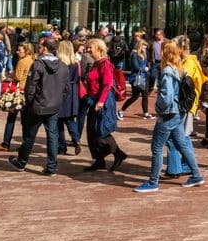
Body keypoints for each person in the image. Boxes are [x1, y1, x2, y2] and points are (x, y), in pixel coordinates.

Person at [134, 40, 205, 192]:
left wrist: (158, 109)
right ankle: (196, 174)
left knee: (157, 147)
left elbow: (166, 97)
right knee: (181, 143)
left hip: (168, 114)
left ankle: (153, 182)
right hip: (179, 112)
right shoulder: (180, 68)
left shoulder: (167, 70)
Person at [8, 38, 68, 176]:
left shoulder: (38, 65)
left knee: (29, 136)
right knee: (52, 135)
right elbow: (65, 89)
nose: (39, 49)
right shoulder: (63, 66)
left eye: (41, 47)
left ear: (46, 48)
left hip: (38, 106)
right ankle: (52, 166)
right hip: (53, 106)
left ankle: (22, 162)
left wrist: (28, 103)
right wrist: (58, 101)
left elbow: (31, 87)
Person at [83, 38, 127, 171]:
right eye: (88, 47)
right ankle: (99, 160)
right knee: (92, 132)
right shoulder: (96, 63)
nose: (88, 50)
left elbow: (107, 85)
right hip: (93, 99)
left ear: (99, 48)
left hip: (103, 101)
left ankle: (118, 154)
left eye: (91, 47)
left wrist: (101, 101)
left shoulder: (105, 64)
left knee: (101, 131)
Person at [0, 42, 34, 152]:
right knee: (25, 120)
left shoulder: (22, 61)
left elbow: (18, 76)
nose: (17, 52)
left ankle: (6, 143)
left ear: (26, 51)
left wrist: (9, 77)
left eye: (20, 50)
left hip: (18, 92)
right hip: (27, 91)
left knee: (11, 118)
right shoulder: (32, 60)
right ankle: (26, 144)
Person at [56, 40, 83, 156]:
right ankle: (76, 140)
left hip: (61, 91)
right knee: (70, 119)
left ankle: (61, 147)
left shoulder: (59, 63)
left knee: (58, 121)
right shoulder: (76, 63)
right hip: (72, 91)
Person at [119, 39, 150, 120]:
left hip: (144, 78)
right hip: (136, 78)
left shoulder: (144, 54)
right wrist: (144, 68)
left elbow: (147, 64)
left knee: (145, 95)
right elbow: (135, 67)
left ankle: (146, 113)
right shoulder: (135, 54)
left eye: (146, 47)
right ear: (140, 46)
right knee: (134, 97)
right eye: (144, 46)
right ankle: (121, 111)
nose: (145, 48)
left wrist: (148, 68)